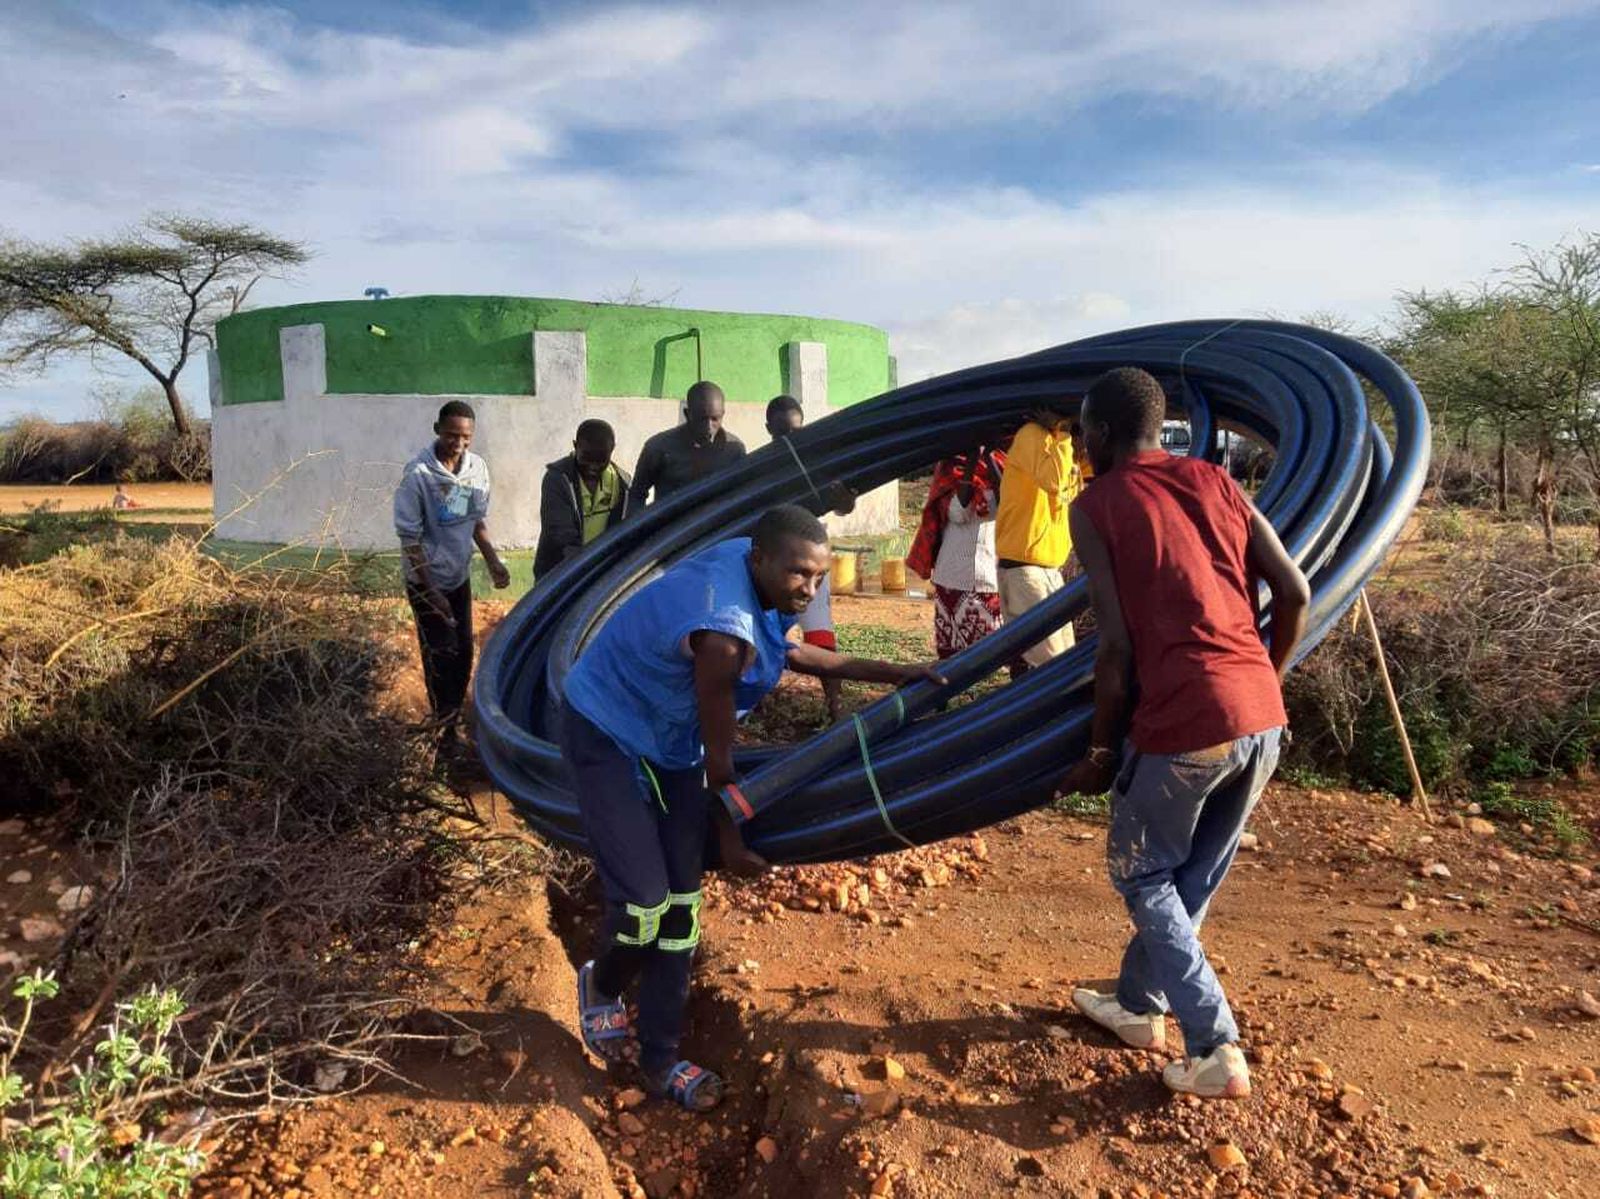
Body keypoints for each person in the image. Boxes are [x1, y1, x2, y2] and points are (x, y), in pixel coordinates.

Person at [561, 505, 943, 1111]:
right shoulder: (725, 636)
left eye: (819, 577)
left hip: (668, 738)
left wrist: (895, 672)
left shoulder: (750, 560)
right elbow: (722, 767)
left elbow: (791, 654)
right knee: (644, 905)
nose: (810, 590)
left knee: (681, 914)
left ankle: (660, 1059)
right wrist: (732, 840)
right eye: (799, 575)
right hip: (609, 730)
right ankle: (601, 983)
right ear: (760, 560)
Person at [1057, 367, 1309, 1100]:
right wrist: (1266, 677)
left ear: (1100, 432)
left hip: (1184, 721)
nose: (1079, 442)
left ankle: (1215, 1044)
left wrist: (1102, 753)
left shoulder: (1097, 503)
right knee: (1191, 873)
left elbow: (1114, 648)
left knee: (1140, 872)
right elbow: (1294, 592)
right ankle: (1139, 1005)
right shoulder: (1215, 479)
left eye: (1080, 429)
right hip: (1259, 715)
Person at [393, 400, 511, 753]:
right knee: (440, 654)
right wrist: (432, 592)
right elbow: (410, 541)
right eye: (451, 435)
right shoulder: (418, 477)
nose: (458, 443)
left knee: (462, 653)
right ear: (437, 430)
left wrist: (493, 562)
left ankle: (452, 718)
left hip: (458, 578)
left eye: (465, 437)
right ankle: (443, 730)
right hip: (426, 583)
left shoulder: (472, 470)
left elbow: (471, 518)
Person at [765, 394, 850, 723]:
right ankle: (761, 704)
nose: (790, 441)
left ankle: (835, 705)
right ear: (769, 429)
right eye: (782, 433)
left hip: (809, 562)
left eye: (797, 432)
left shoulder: (817, 462)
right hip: (774, 563)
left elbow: (843, 505)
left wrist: (844, 497)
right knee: (763, 632)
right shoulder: (760, 467)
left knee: (818, 631)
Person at [994, 401, 1082, 670]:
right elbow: (1054, 482)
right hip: (1026, 572)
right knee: (1052, 667)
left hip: (1045, 571)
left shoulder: (1066, 451)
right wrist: (1064, 432)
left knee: (1062, 658)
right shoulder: (1034, 436)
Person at [907, 448, 1009, 663]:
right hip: (953, 575)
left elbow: (1007, 504)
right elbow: (957, 513)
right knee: (950, 655)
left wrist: (988, 456)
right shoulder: (950, 468)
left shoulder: (1004, 466)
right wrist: (972, 461)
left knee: (992, 655)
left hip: (989, 576)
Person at [533, 419, 632, 581]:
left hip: (600, 573)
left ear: (612, 449)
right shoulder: (557, 479)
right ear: (575, 446)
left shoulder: (622, 483)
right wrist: (583, 569)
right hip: (558, 572)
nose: (593, 466)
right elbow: (561, 535)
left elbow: (621, 531)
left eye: (601, 459)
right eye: (586, 457)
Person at [630, 381, 746, 508]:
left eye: (715, 419)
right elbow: (636, 495)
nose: (709, 428)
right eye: (702, 419)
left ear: (723, 414)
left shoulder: (734, 450)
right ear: (687, 414)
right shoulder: (658, 448)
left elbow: (740, 495)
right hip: (672, 525)